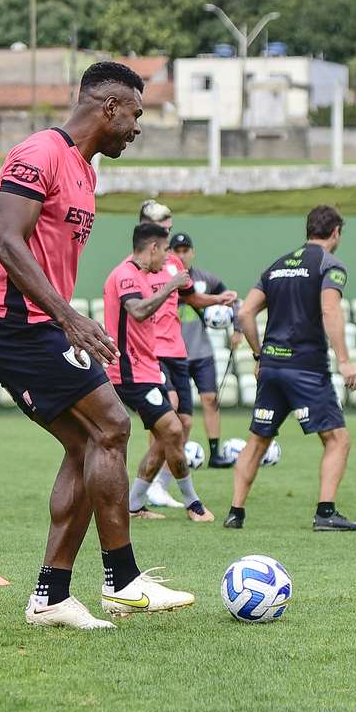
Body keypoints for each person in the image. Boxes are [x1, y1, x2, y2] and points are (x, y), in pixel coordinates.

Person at [0, 61, 194, 630]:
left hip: (39, 321)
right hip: (10, 321)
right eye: (136, 115)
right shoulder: (38, 152)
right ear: (109, 106)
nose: (137, 129)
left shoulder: (86, 172)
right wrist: (67, 318)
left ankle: (51, 597)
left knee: (89, 446)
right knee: (113, 425)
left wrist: (63, 314)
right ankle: (124, 581)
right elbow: (6, 243)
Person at [225, 205, 356, 531]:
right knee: (337, 440)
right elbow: (330, 310)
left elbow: (244, 314)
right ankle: (326, 513)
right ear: (336, 233)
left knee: (257, 440)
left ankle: (236, 512)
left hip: (272, 367)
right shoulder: (330, 265)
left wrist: (260, 356)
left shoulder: (276, 266)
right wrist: (344, 361)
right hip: (306, 368)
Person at [104, 223, 213, 523]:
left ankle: (135, 505)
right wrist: (170, 286)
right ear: (153, 248)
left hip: (148, 368)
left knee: (169, 434)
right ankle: (193, 505)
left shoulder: (143, 274)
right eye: (165, 251)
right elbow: (137, 310)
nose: (166, 258)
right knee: (174, 430)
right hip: (129, 372)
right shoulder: (125, 274)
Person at [138, 202, 232, 505]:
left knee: (185, 423)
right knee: (168, 415)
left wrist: (220, 298)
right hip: (154, 351)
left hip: (178, 351)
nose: (168, 229)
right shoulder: (137, 264)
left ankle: (158, 484)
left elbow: (192, 298)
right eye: (163, 224)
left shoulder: (176, 266)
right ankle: (145, 488)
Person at [169, 232, 240, 468]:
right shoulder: (164, 279)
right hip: (174, 354)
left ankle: (215, 453)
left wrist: (238, 329)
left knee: (210, 399)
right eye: (176, 250)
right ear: (170, 253)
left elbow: (233, 301)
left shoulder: (205, 279)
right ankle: (172, 457)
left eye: (185, 250)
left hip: (202, 353)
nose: (181, 254)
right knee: (175, 409)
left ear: (192, 252)